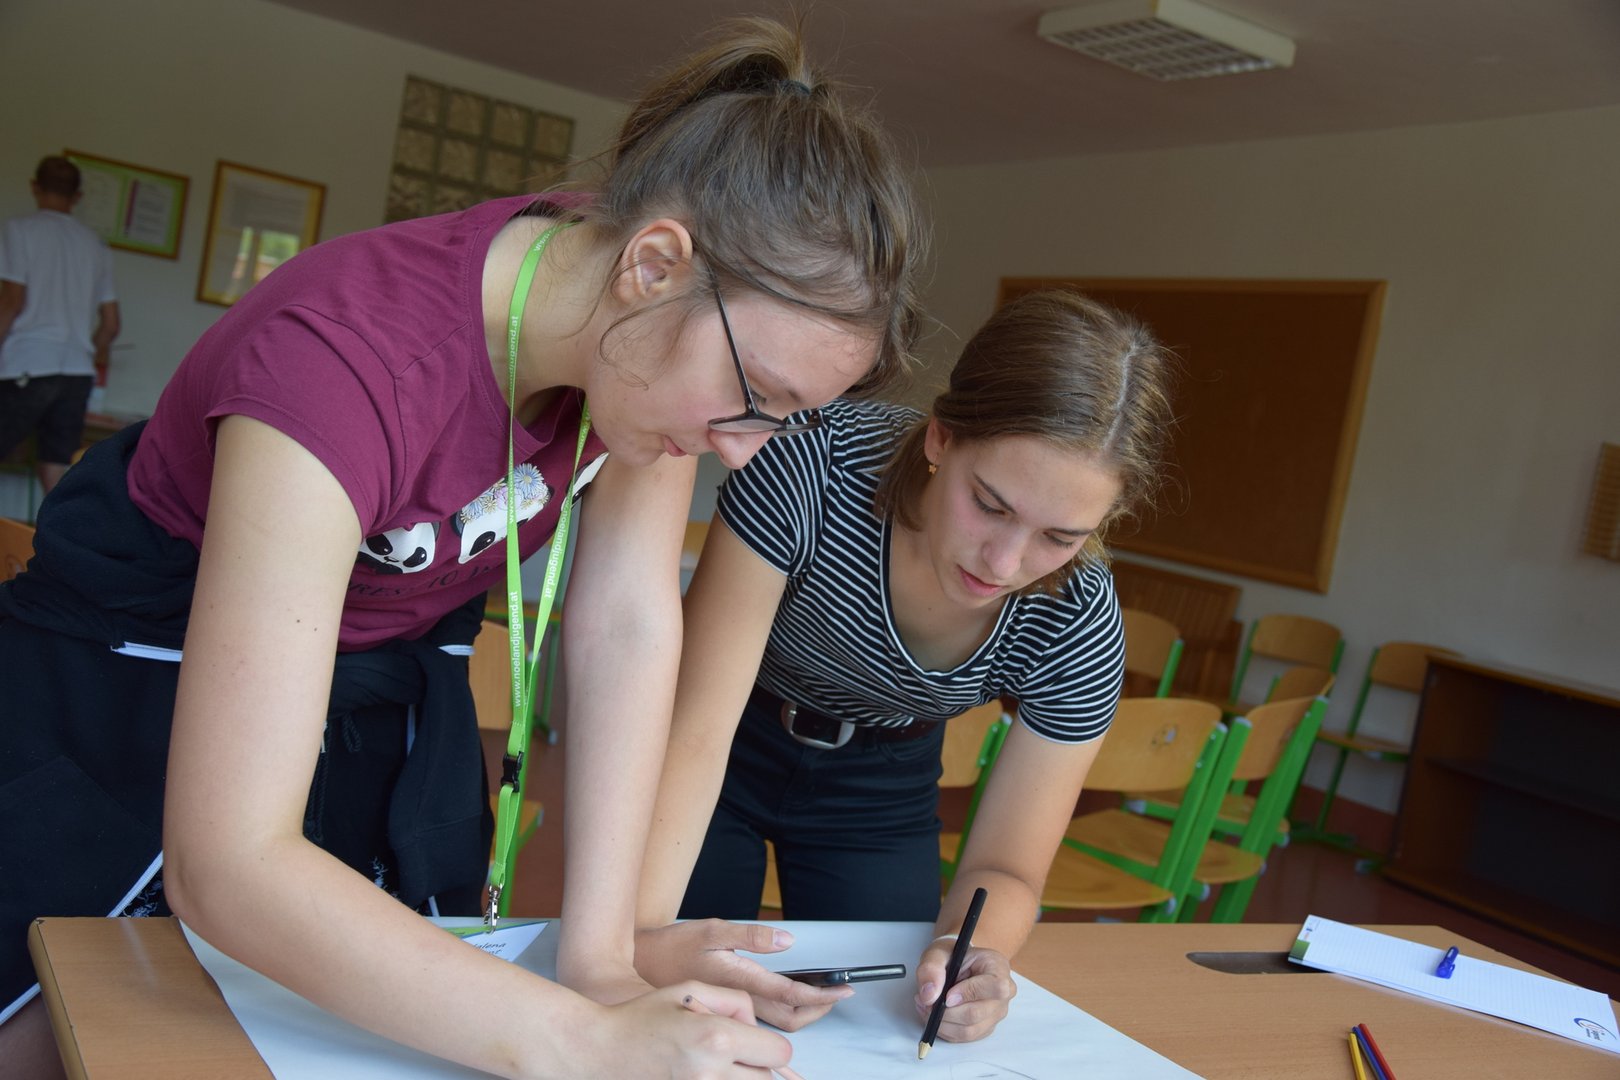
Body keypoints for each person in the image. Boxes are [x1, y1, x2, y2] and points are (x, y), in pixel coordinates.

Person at [0, 16, 924, 1078]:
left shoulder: (640, 329)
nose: (743, 450)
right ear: (653, 264)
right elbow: (232, 863)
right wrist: (584, 1044)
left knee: (336, 1025)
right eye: (756, 397)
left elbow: (624, 622)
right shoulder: (339, 365)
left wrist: (602, 961)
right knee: (79, 1027)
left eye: (785, 421)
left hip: (375, 686)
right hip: (131, 672)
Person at [634, 289, 1176, 1043]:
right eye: (990, 505)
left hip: (880, 783)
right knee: (677, 986)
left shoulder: (1078, 619)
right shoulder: (810, 465)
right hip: (722, 738)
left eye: (1060, 537)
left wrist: (973, 955)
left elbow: (1008, 868)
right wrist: (643, 939)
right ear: (941, 438)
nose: (1005, 563)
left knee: (890, 1014)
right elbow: (694, 733)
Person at [0, 155, 120, 495]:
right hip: (77, 373)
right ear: (77, 196)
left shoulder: (20, 230)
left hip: (28, 363)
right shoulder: (96, 246)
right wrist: (92, 354)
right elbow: (111, 324)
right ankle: (59, 531)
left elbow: (12, 302)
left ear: (34, 187)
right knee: (55, 465)